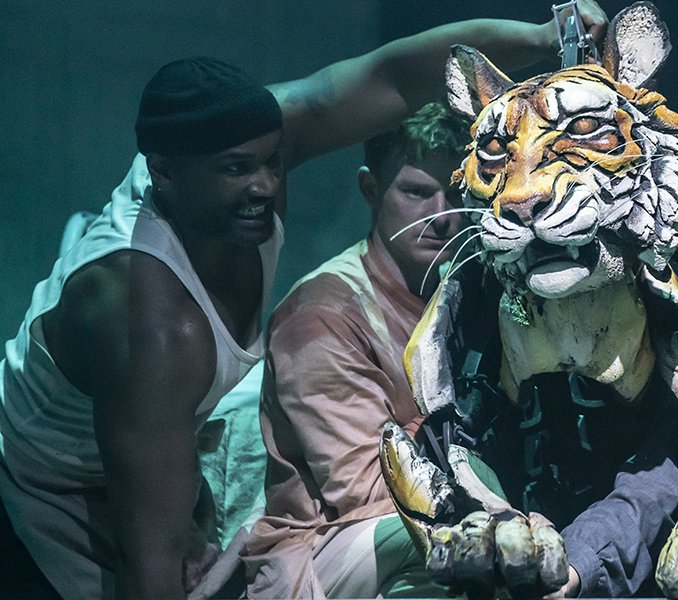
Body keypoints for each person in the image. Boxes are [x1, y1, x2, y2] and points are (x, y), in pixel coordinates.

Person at [0, 5, 608, 599]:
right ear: (163, 173)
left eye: (271, 162)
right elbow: (151, 569)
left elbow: (396, 74)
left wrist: (541, 34)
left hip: (167, 427)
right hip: (50, 480)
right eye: (238, 169)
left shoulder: (244, 137)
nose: (264, 186)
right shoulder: (152, 324)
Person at [242, 101, 480, 598]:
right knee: (459, 546)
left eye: (456, 193)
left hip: (414, 518)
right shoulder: (321, 314)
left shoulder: (465, 292)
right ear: (371, 189)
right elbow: (372, 487)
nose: (441, 216)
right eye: (417, 192)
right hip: (322, 550)